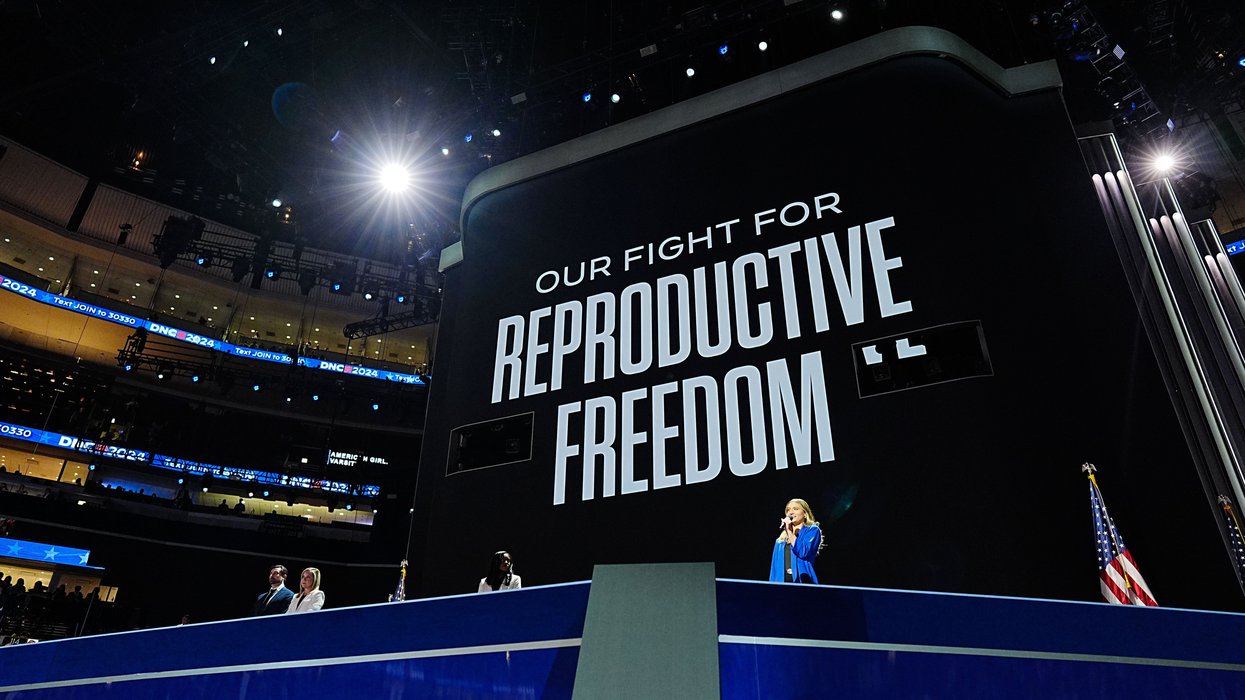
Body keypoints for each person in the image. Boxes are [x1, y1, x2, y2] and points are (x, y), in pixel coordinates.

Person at [768, 498, 822, 584]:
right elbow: (774, 568)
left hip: (802, 583)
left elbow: (803, 552)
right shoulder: (780, 540)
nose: (791, 512)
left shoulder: (812, 531)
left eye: (795, 509)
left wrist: (789, 531)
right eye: (788, 510)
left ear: (805, 513)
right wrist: (770, 588)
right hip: (781, 585)